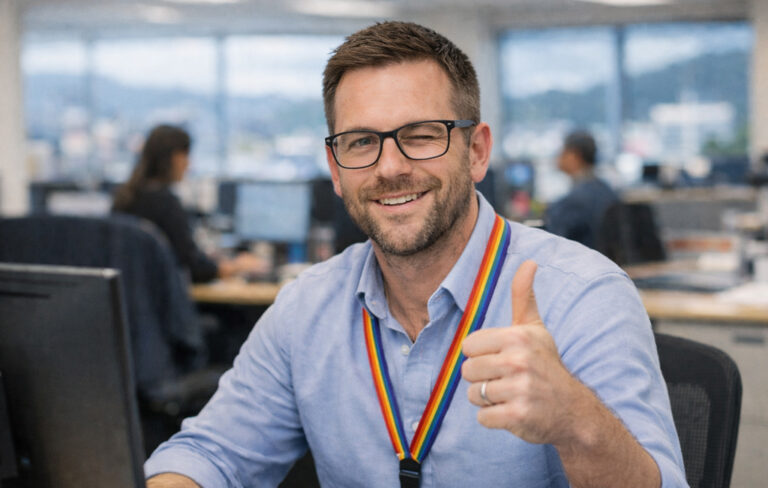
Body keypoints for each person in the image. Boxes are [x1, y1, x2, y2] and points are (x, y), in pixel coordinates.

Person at [145, 22, 686, 487]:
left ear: (476, 152)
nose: (389, 167)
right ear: (335, 171)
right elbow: (211, 453)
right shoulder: (306, 310)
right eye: (360, 142)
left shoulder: (582, 296)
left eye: (421, 136)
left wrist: (575, 420)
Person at [112, 124, 266, 283]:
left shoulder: (123, 198)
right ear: (175, 158)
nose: (188, 164)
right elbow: (194, 268)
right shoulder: (166, 203)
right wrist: (237, 266)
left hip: (132, 298)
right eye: (186, 156)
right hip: (163, 299)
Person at [544, 130, 619, 250]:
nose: (557, 158)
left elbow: (553, 246)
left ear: (574, 156)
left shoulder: (571, 203)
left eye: (562, 153)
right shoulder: (608, 191)